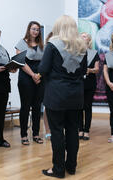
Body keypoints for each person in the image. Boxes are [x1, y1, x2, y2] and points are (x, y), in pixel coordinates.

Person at [38, 15, 87, 178]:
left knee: (57, 132)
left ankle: (58, 169)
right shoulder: (82, 46)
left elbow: (43, 69)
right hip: (76, 95)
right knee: (73, 130)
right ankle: (71, 166)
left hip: (57, 94)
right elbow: (84, 71)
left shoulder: (52, 45)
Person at [15, 21, 44, 145]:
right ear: (29, 29)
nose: (35, 31)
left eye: (37, 29)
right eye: (33, 29)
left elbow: (45, 61)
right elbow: (20, 62)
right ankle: (23, 135)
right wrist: (32, 75)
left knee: (37, 107)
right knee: (26, 106)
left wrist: (39, 75)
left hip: (39, 77)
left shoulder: (43, 45)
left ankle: (36, 134)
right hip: (26, 77)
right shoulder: (21, 43)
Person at [78, 32, 99, 140]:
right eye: (81, 36)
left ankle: (86, 130)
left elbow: (97, 69)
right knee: (79, 107)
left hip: (90, 83)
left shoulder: (94, 53)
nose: (82, 37)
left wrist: (89, 70)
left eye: (85, 36)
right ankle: (80, 129)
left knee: (87, 107)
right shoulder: (76, 52)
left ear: (89, 40)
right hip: (78, 83)